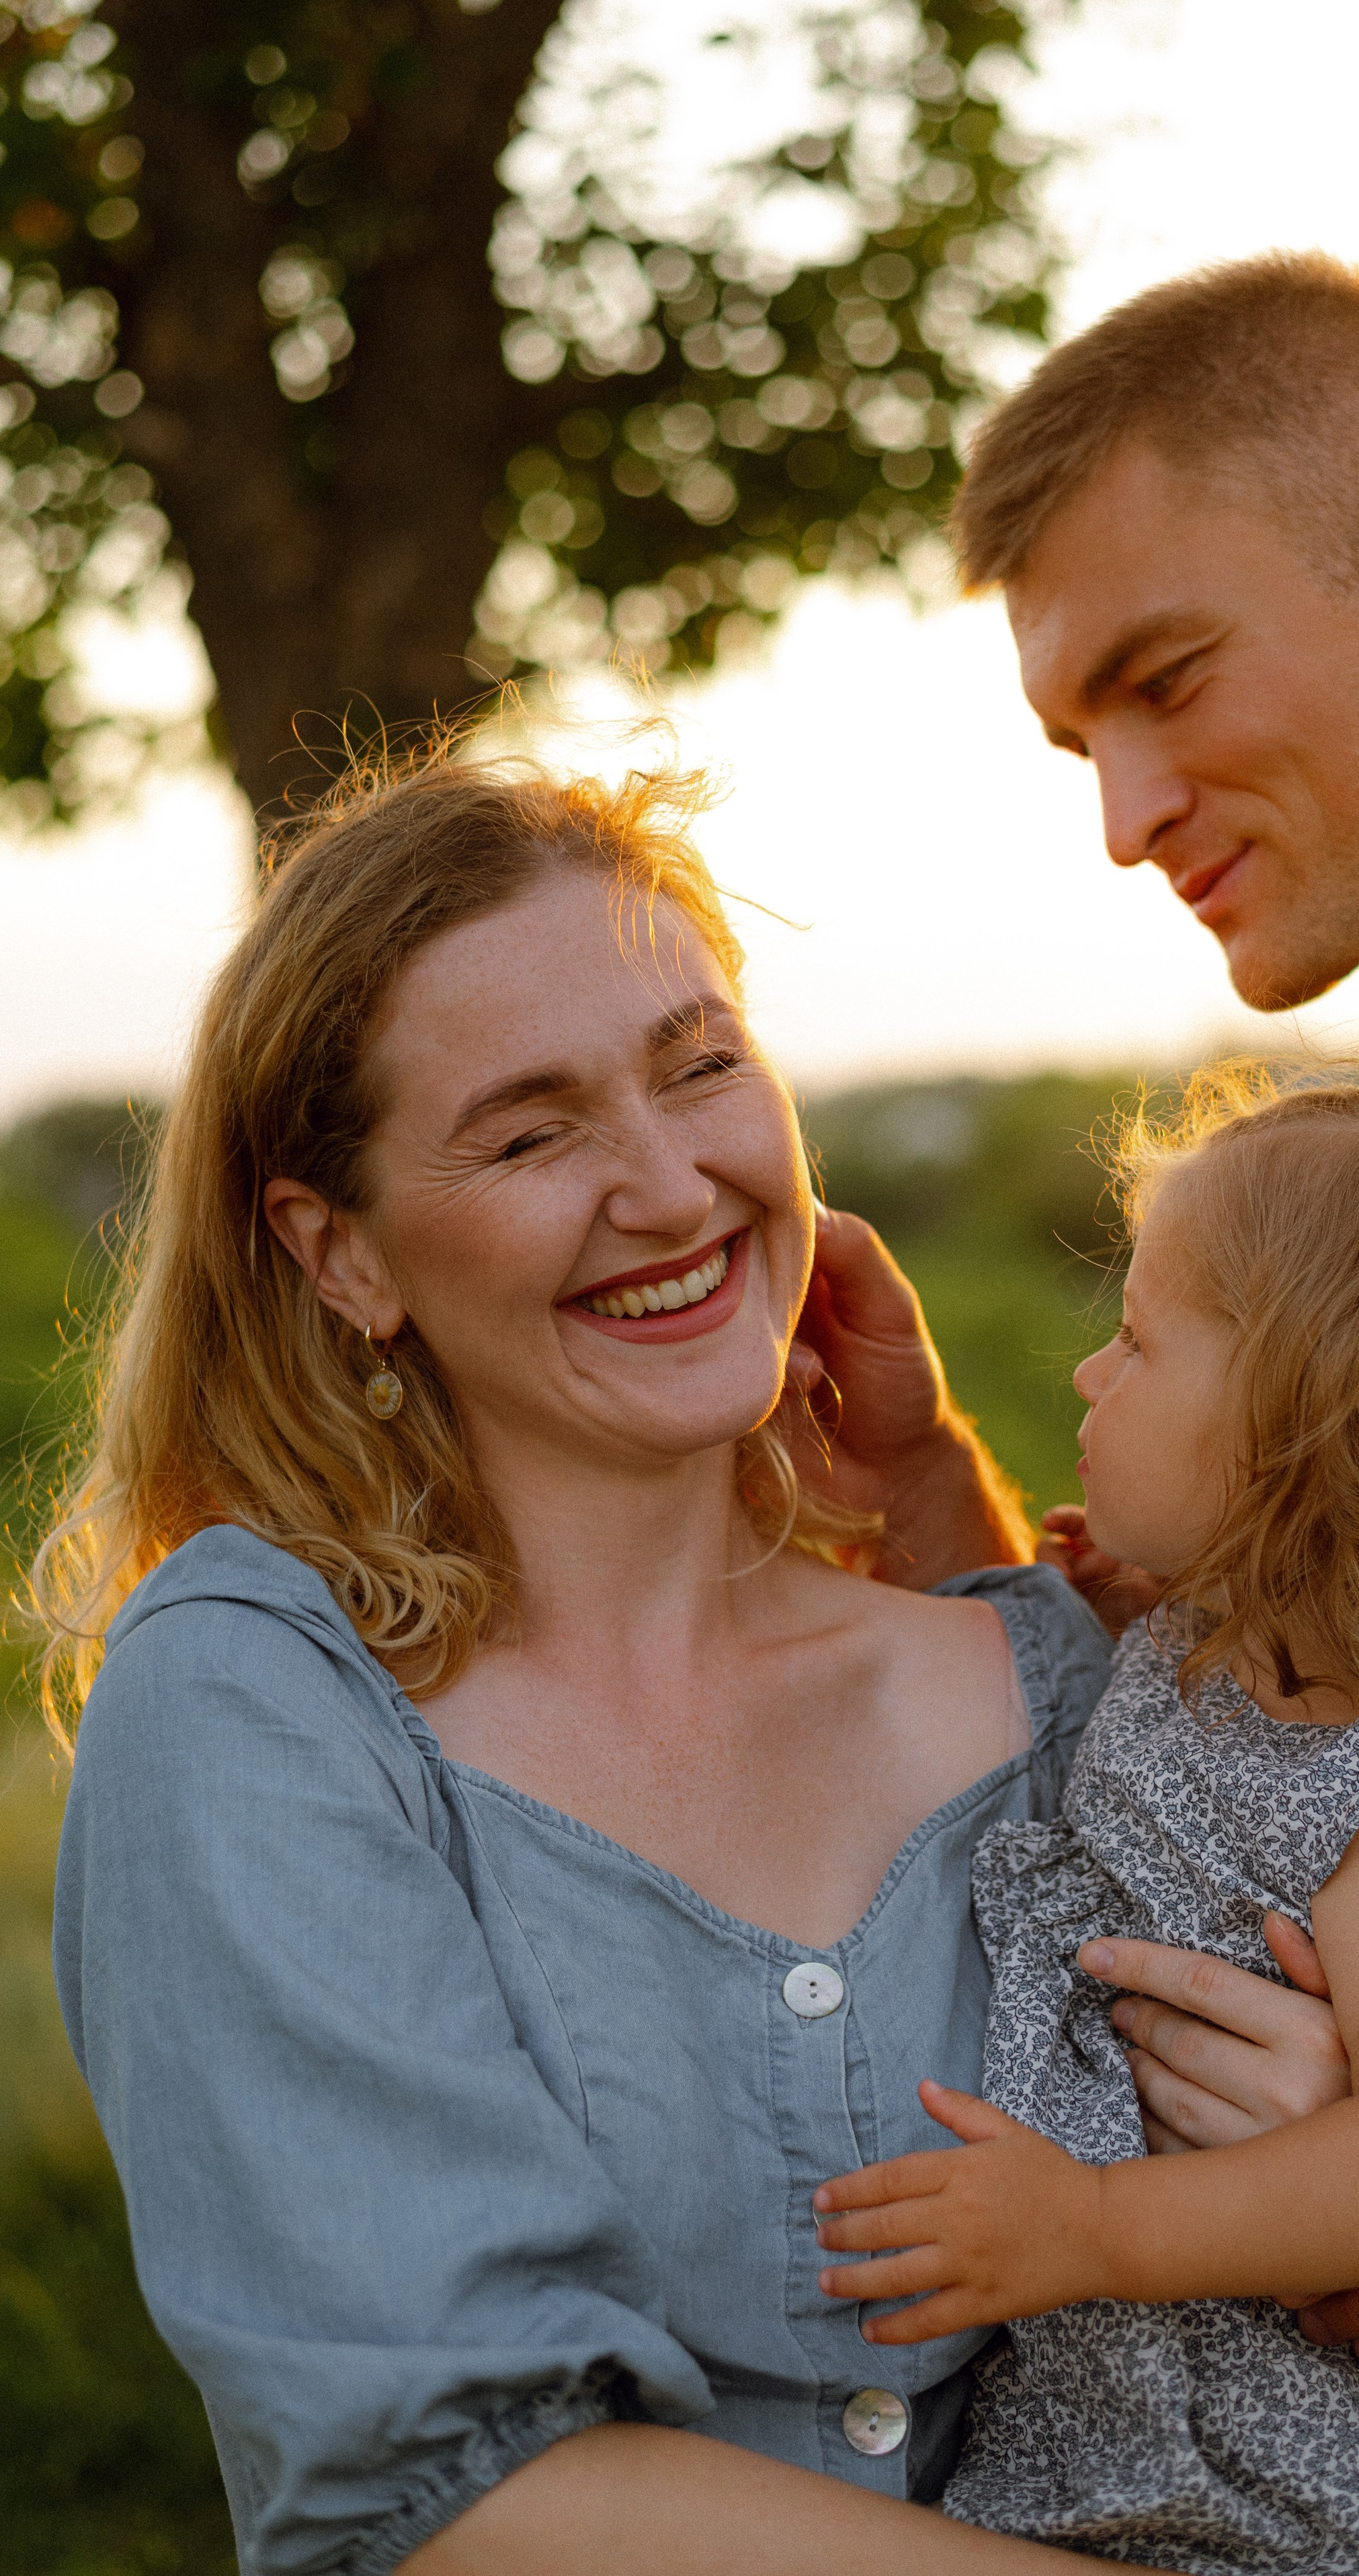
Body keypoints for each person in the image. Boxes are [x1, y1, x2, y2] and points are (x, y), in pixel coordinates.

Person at [36, 747, 1225, 2576]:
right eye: (531, 1135)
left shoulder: (1039, 1679)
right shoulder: (261, 1703)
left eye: (701, 1067)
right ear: (340, 1255)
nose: (671, 1189)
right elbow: (459, 2492)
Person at [798, 252, 1359, 2571]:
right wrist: (936, 1500)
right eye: (1076, 744)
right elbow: (1279, 1726)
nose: (1125, 813)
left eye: (1171, 678)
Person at [813, 1070, 1359, 2574]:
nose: (1086, 1373)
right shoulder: (1214, 1649)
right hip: (1139, 2426)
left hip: (1293, 2484)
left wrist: (1093, 2227)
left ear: (1292, 1434)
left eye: (1136, 1341)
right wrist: (1135, 1602)